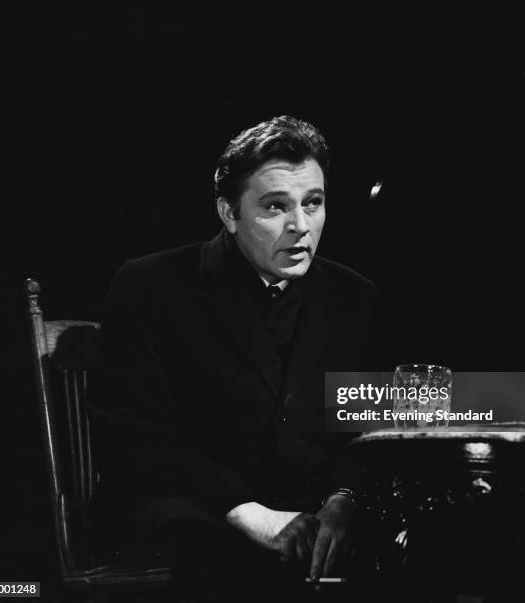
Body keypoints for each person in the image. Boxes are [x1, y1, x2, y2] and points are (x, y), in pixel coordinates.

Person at [89, 115, 382, 601]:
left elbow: (362, 430)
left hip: (306, 513)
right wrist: (250, 514)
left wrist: (343, 501)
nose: (300, 226)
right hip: (187, 508)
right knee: (219, 560)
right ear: (229, 213)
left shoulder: (357, 298)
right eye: (275, 207)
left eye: (313, 203)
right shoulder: (149, 286)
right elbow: (133, 434)